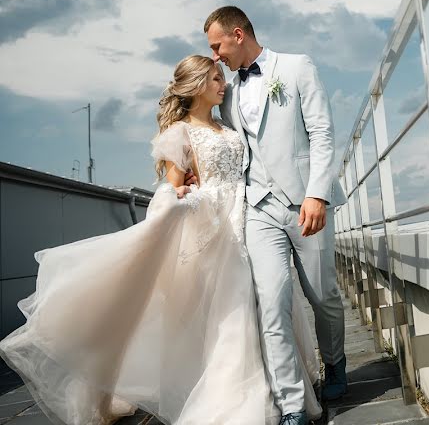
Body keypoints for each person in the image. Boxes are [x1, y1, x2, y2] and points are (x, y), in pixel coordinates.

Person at [0, 55, 323, 424]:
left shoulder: (226, 124)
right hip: (217, 225)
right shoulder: (180, 133)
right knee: (235, 312)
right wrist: (185, 199)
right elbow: (173, 188)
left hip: (250, 216)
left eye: (222, 77)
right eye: (216, 78)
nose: (224, 84)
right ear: (198, 85)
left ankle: (284, 385)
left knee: (268, 302)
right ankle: (239, 397)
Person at [204, 6, 348, 425]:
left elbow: (322, 132)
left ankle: (335, 362)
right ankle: (291, 405)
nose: (216, 55)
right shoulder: (228, 93)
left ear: (237, 33)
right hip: (258, 209)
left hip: (306, 204)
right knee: (271, 303)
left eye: (217, 45)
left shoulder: (297, 67)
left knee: (322, 295)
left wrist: (317, 195)